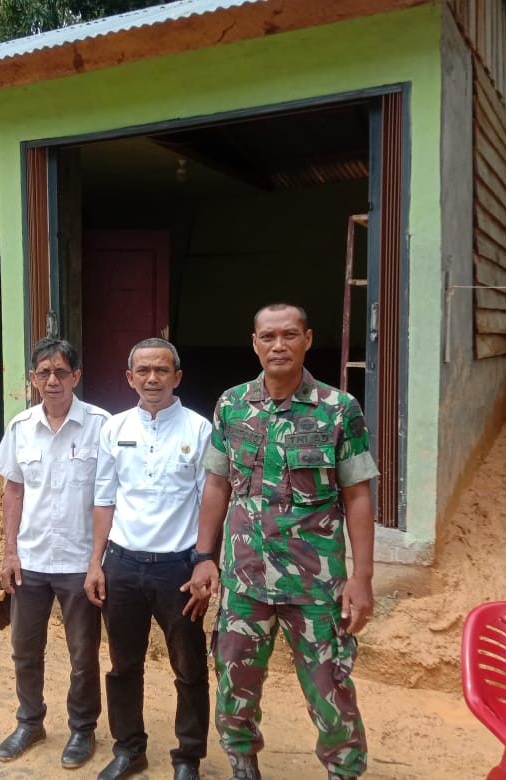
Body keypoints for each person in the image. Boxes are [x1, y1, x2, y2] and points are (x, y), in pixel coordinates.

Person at [181, 303, 378, 780]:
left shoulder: (338, 409)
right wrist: (204, 557)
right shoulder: (231, 405)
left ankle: (343, 771)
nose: (278, 345)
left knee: (329, 686)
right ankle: (243, 764)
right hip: (245, 580)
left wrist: (362, 578)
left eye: (289, 335)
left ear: (308, 339)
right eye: (268, 336)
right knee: (234, 681)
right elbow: (216, 485)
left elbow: (357, 496)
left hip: (315, 585)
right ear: (254, 343)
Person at [84, 338, 213, 780]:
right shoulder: (115, 428)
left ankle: (188, 756)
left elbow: (209, 502)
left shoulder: (199, 430)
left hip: (177, 570)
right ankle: (128, 748)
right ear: (130, 378)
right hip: (122, 566)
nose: (152, 378)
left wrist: (203, 561)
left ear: (177, 377)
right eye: (143, 371)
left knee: (189, 665)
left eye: (162, 370)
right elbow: (104, 499)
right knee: (123, 665)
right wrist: (96, 562)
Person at [0, 336, 109, 770]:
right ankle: (30, 721)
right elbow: (14, 492)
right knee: (24, 647)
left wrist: (98, 559)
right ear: (33, 378)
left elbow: (108, 497)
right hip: (32, 561)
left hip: (81, 563)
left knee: (83, 652)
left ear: (76, 376)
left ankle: (82, 729)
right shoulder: (21, 427)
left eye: (61, 372)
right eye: (44, 373)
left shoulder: (102, 425)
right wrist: (9, 554)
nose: (52, 380)